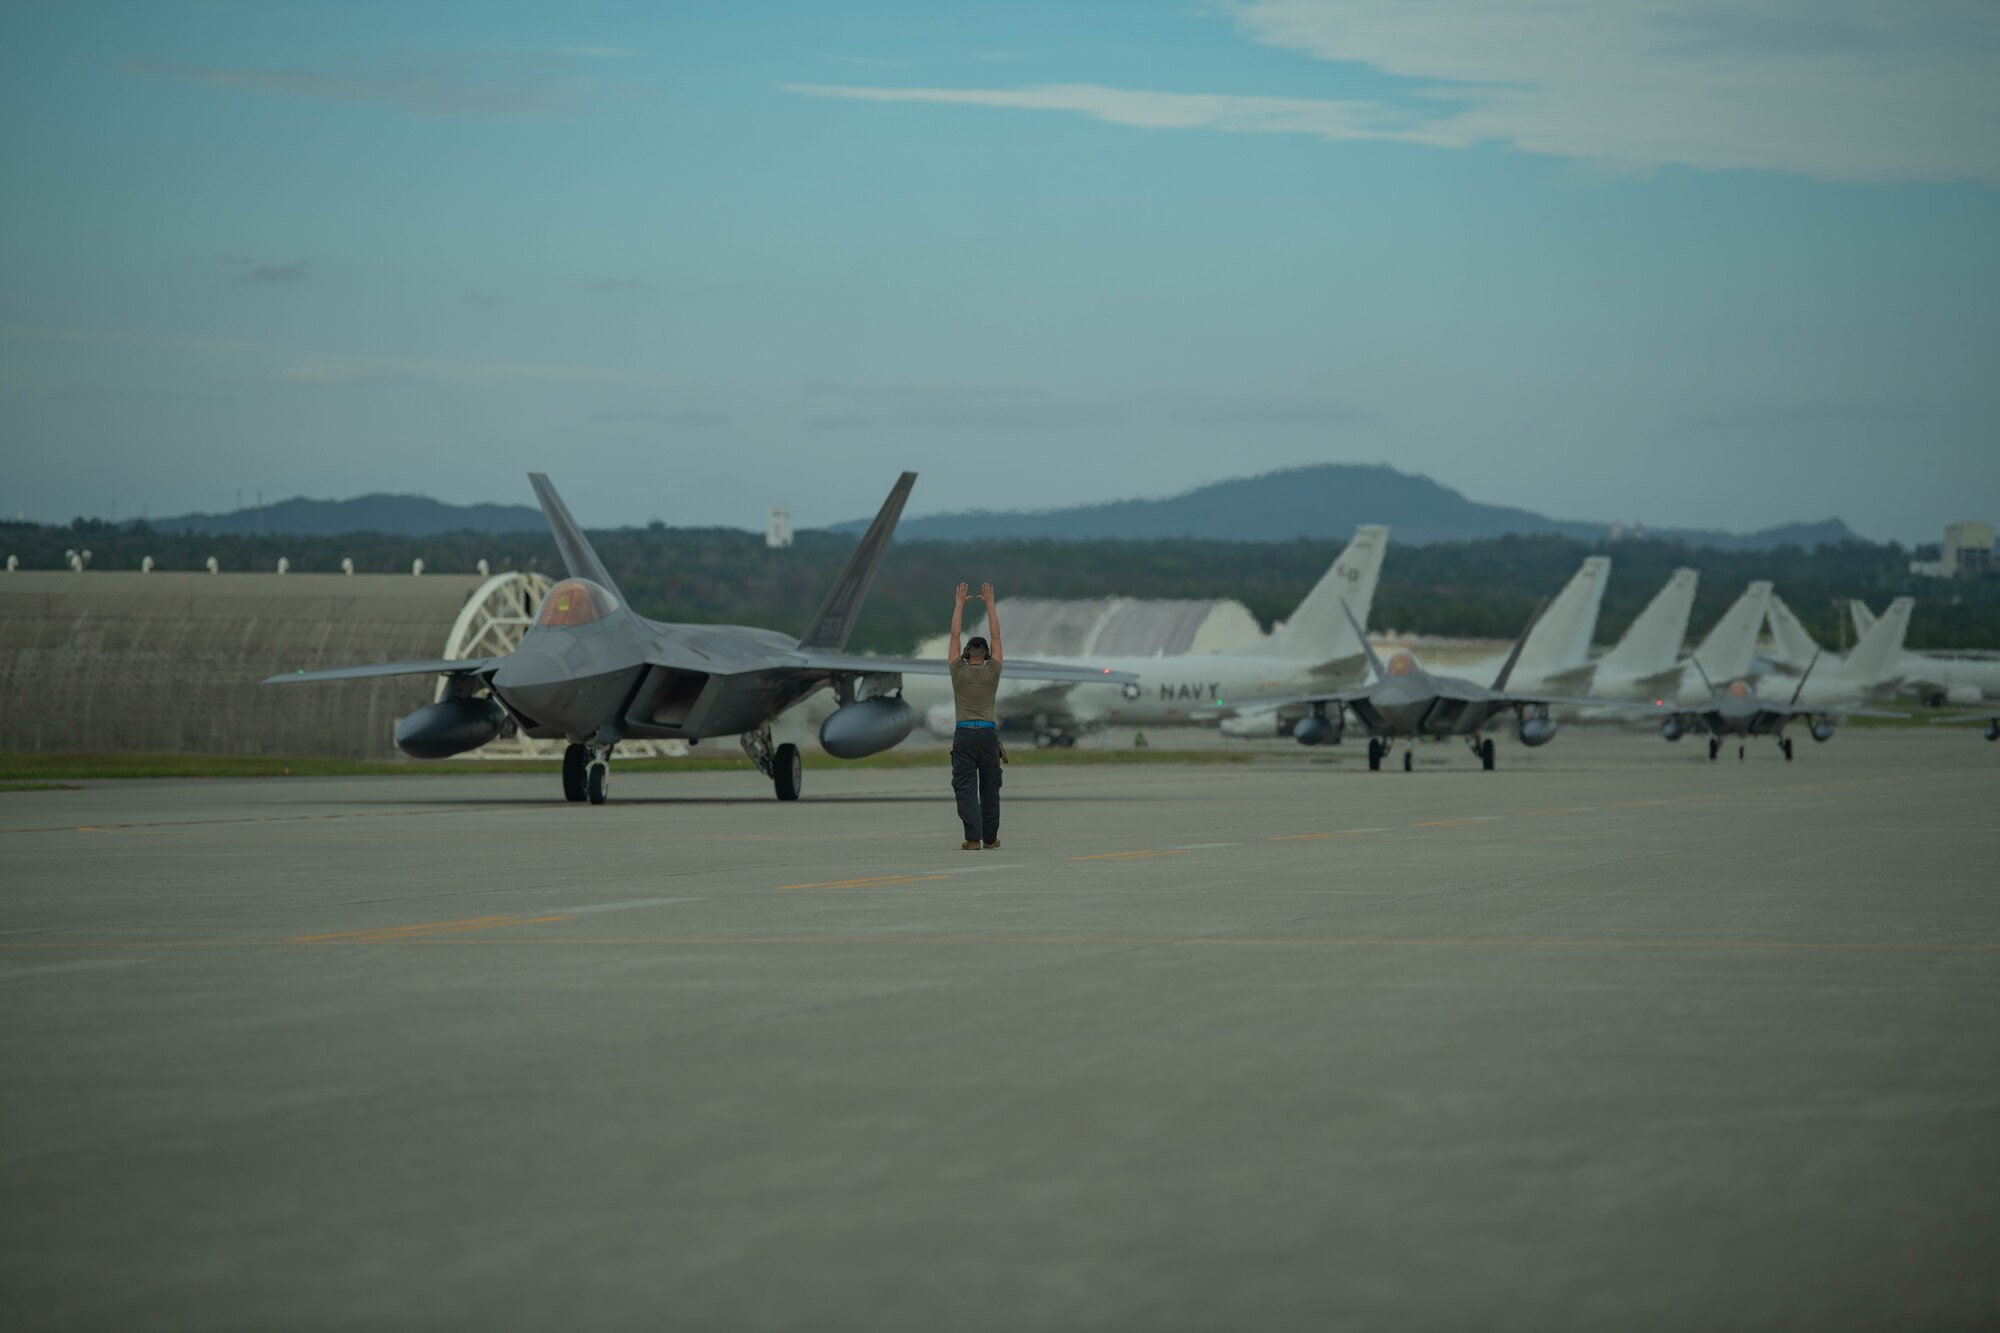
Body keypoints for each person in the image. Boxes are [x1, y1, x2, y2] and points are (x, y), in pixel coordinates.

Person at [947, 581, 1005, 850]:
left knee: (965, 787)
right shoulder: (993, 672)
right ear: (987, 655)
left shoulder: (957, 672)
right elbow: (996, 636)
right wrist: (990, 604)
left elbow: (954, 635)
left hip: (964, 736)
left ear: (966, 653)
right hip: (988, 736)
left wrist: (959, 604)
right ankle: (991, 839)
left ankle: (973, 839)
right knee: (990, 788)